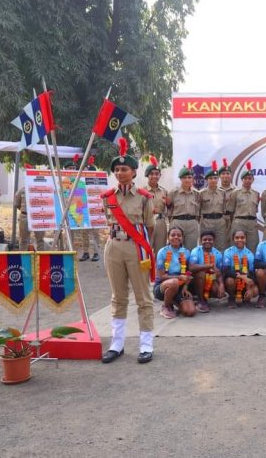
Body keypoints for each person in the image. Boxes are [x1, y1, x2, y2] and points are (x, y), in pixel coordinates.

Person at [101, 138, 156, 364]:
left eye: (124, 169)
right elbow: (108, 222)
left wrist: (143, 248)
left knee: (143, 297)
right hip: (113, 247)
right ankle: (117, 344)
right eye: (116, 169)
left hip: (136, 248)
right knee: (118, 296)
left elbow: (150, 227)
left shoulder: (144, 197)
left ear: (134, 172)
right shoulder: (107, 197)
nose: (120, 173)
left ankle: (146, 344)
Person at [154, 227, 195, 319]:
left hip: (180, 286)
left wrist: (185, 287)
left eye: (179, 235)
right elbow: (161, 276)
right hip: (163, 286)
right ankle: (165, 306)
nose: (176, 237)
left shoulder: (186, 252)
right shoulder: (162, 252)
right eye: (173, 235)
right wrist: (179, 277)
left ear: (182, 238)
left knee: (190, 311)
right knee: (174, 282)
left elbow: (188, 272)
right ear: (168, 237)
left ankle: (173, 300)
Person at [166, 161, 200, 250]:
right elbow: (168, 209)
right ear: (180, 179)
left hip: (192, 223)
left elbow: (199, 210)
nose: (187, 180)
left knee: (191, 249)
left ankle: (190, 264)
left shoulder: (196, 194)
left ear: (193, 179)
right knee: (175, 248)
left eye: (189, 177)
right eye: (184, 177)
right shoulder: (173, 193)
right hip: (177, 222)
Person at [189, 230, 226, 313]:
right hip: (195, 280)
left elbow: (219, 272)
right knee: (201, 273)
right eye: (205, 240)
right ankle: (201, 300)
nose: (207, 241)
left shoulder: (218, 254)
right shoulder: (196, 251)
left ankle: (204, 297)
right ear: (201, 241)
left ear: (214, 241)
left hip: (211, 279)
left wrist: (221, 284)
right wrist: (209, 266)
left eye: (210, 240)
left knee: (218, 291)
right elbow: (191, 267)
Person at [228, 163, 261, 253]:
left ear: (253, 180)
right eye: (245, 178)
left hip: (252, 223)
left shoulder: (256, 194)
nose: (247, 180)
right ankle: (235, 266)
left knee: (253, 246)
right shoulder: (235, 193)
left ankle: (251, 266)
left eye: (250, 178)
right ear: (242, 180)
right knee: (236, 246)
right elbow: (230, 210)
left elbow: (256, 209)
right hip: (238, 221)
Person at [223, 229, 259, 308]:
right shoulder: (228, 252)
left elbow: (252, 273)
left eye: (242, 237)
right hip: (233, 280)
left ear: (246, 239)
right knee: (229, 280)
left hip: (245, 281)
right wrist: (241, 276)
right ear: (233, 239)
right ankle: (232, 298)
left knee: (255, 291)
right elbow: (226, 270)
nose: (240, 240)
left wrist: (250, 288)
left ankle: (245, 296)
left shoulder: (250, 254)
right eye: (237, 238)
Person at [198, 161, 227, 251]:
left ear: (218, 179)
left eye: (215, 178)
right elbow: (198, 209)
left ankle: (219, 264)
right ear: (206, 180)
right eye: (210, 178)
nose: (213, 180)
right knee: (205, 245)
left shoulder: (222, 192)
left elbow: (224, 208)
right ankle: (205, 263)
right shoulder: (201, 193)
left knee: (221, 245)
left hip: (219, 222)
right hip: (206, 221)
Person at [144, 155, 169, 252]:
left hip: (160, 222)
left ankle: (159, 267)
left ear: (160, 176)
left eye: (157, 174)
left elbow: (168, 208)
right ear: (147, 175)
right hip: (146, 222)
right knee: (146, 249)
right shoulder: (142, 191)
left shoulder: (164, 191)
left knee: (160, 250)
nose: (154, 176)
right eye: (152, 174)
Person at [79, 157, 101, 262]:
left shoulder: (97, 186)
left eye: (87, 173)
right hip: (84, 212)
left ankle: (96, 253)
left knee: (95, 233)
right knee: (84, 233)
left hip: (95, 212)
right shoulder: (80, 185)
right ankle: (86, 252)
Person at [217, 159, 236, 249]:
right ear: (219, 176)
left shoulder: (236, 190)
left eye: (228, 173)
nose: (226, 176)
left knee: (231, 243)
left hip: (231, 219)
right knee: (217, 244)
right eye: (223, 174)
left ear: (231, 175)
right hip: (218, 219)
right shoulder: (214, 190)